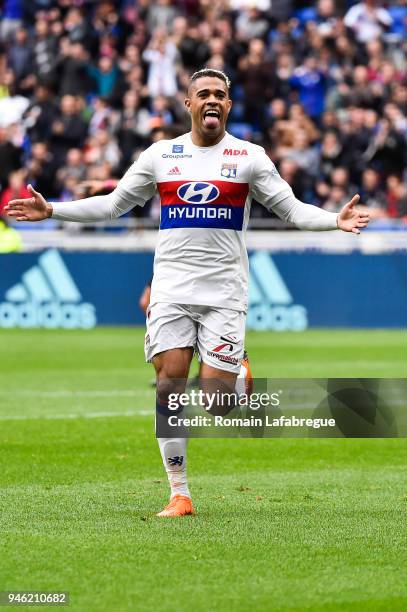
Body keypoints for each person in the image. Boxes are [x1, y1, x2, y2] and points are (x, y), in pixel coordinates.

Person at [5, 68, 370, 518]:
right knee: (168, 385)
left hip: (223, 291)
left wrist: (335, 219)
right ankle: (180, 493)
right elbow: (115, 203)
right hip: (171, 287)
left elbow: (292, 209)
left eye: (220, 94)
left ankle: (237, 372)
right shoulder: (162, 155)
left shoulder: (249, 157)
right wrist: (54, 209)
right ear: (189, 104)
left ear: (229, 105)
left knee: (218, 403)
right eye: (204, 94)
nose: (212, 100)